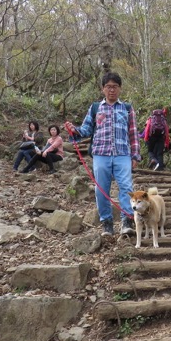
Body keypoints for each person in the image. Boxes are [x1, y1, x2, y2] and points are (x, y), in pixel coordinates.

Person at [64, 72, 139, 236]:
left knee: (126, 187)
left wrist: (135, 155)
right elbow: (85, 129)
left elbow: (133, 133)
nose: (111, 90)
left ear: (120, 89)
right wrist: (74, 130)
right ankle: (107, 223)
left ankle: (127, 221)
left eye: (115, 87)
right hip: (101, 154)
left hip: (122, 154)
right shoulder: (96, 108)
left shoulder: (127, 108)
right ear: (103, 89)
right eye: (108, 87)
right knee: (101, 190)